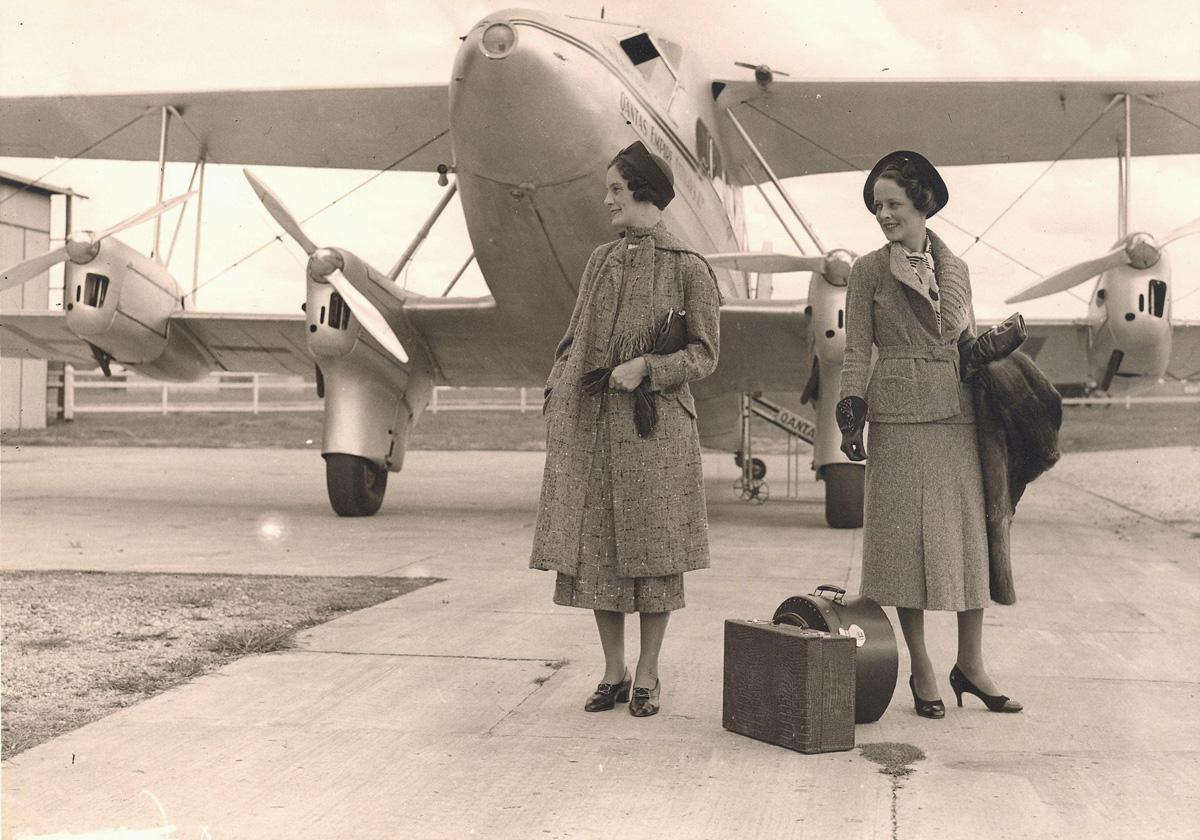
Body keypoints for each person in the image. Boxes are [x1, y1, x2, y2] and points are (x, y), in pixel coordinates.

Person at [529, 140, 721, 718]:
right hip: (592, 429)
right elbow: (574, 335)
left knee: (655, 555)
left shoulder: (689, 267)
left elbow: (706, 354)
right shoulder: (600, 260)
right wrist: (556, 385)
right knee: (597, 555)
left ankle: (647, 673)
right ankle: (612, 671)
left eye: (615, 188)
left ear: (643, 191)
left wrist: (650, 369)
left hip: (655, 434)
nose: (606, 199)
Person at [837, 150, 1023, 718]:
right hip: (895, 417)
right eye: (876, 207)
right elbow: (855, 350)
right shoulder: (867, 270)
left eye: (893, 204)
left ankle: (972, 664)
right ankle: (921, 667)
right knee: (902, 549)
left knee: (967, 542)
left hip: (955, 416)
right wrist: (851, 408)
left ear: (924, 204)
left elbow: (965, 348)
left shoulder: (957, 269)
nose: (884, 215)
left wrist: (987, 349)